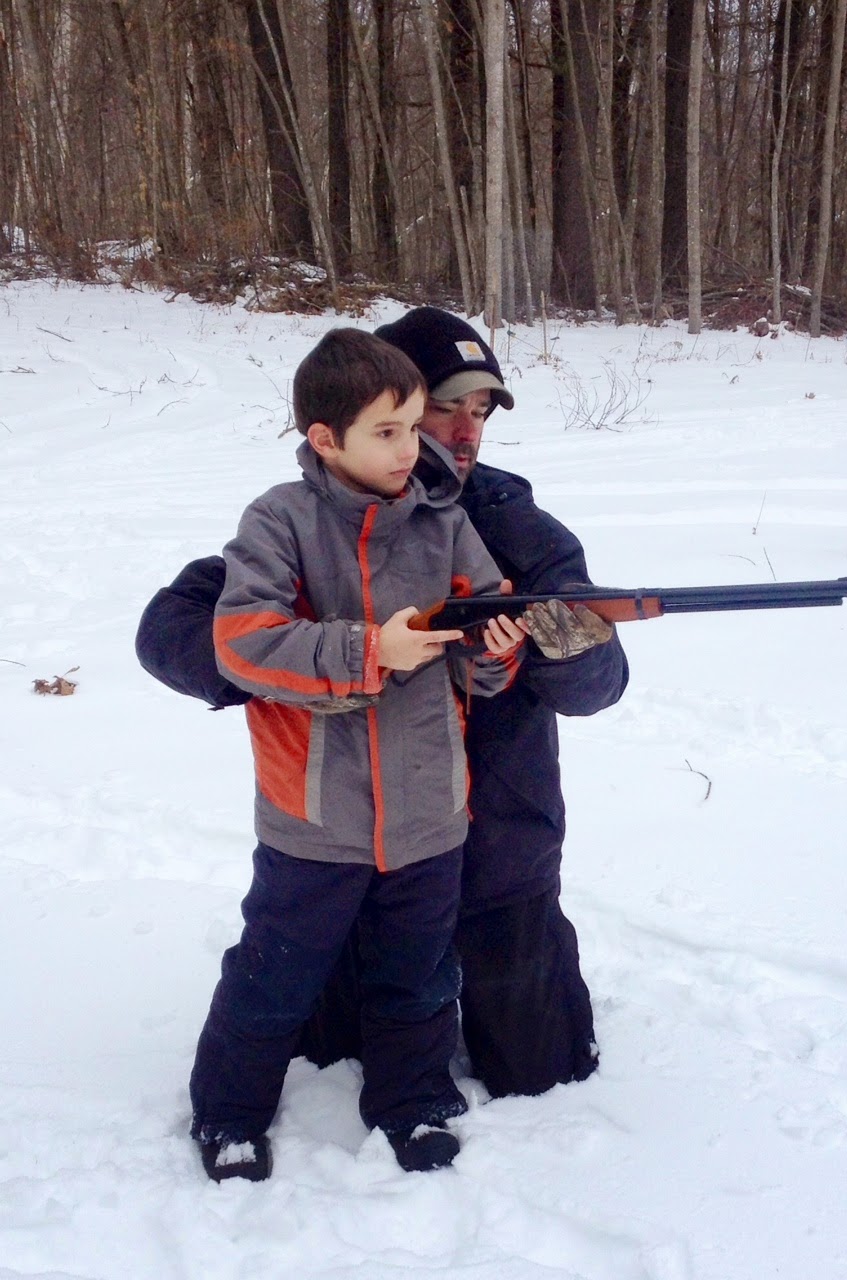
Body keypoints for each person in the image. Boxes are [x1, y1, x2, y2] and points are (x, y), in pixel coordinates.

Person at [136, 308, 629, 1102]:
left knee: (541, 1071)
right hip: (353, 850)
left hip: (500, 851)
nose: (459, 433)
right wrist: (317, 664)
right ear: (365, 414)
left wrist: (562, 646)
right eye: (440, 408)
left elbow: (600, 686)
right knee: (331, 1041)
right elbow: (172, 633)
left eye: (479, 412)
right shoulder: (302, 518)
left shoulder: (514, 524)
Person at [186, 328, 525, 1183]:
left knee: (419, 977)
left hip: (429, 814)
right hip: (314, 816)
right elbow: (243, 645)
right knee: (272, 977)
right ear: (324, 438)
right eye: (388, 431)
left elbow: (487, 651)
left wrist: (496, 647)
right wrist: (369, 650)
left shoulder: (443, 524)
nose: (412, 448)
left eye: (415, 427)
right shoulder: (280, 521)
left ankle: (413, 1103)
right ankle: (229, 1114)